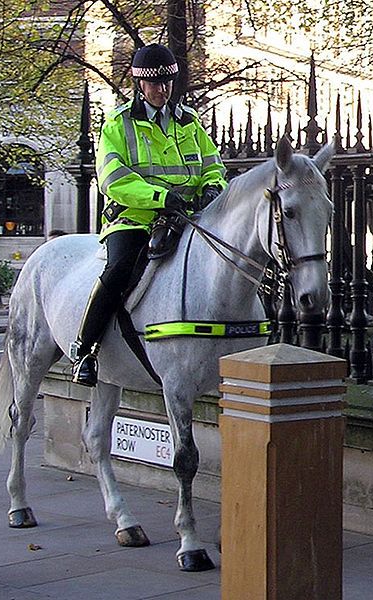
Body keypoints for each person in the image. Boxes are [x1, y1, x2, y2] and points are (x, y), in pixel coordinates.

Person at [71, 43, 227, 387]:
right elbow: (113, 179)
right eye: (154, 84)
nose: (162, 90)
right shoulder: (119, 123)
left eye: (167, 82)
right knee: (119, 269)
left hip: (186, 217)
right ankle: (86, 348)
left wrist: (213, 186)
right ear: (139, 85)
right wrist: (159, 197)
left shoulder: (189, 121)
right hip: (134, 219)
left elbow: (212, 163)